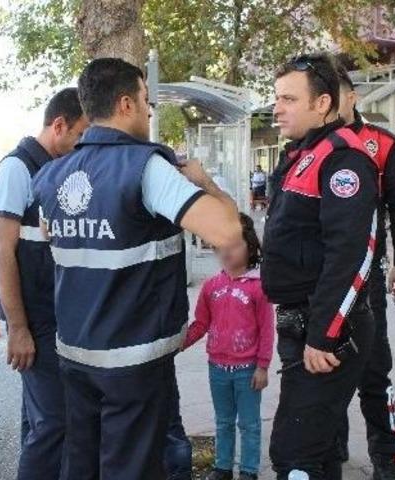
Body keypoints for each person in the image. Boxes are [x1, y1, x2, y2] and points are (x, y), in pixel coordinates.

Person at [31, 57, 242, 480]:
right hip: (133, 359)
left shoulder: (51, 175)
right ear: (126, 103)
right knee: (131, 468)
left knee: (83, 465)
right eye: (146, 100)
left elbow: (56, 239)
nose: (149, 111)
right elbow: (227, 232)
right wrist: (205, 184)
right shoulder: (147, 168)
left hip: (75, 353)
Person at [261, 53, 379, 480]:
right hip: (301, 325)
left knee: (294, 454)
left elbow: (353, 256)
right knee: (321, 449)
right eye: (277, 98)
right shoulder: (303, 154)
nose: (277, 108)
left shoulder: (344, 160)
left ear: (323, 103)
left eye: (289, 99)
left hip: (324, 332)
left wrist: (324, 336)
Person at [0, 87, 88, 479]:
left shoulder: (57, 169)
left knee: (39, 421)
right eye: (80, 135)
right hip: (33, 321)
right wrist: (18, 329)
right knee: (54, 423)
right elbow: (3, 251)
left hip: (54, 315)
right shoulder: (18, 168)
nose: (84, 144)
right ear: (59, 125)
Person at [335, 64, 395, 480]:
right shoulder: (307, 146)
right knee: (324, 372)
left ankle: (385, 457)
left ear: (351, 96)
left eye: (336, 91)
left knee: (373, 370)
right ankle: (331, 447)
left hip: (366, 282)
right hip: (319, 283)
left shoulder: (382, 145)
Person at [181, 213, 275, 480]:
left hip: (247, 371)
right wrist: (179, 344)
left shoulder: (259, 288)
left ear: (250, 246)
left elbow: (267, 330)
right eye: (221, 244)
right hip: (217, 369)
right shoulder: (211, 286)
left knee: (249, 424)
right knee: (223, 421)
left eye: (234, 244)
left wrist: (263, 367)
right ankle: (223, 467)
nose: (227, 251)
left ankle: (248, 470)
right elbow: (200, 324)